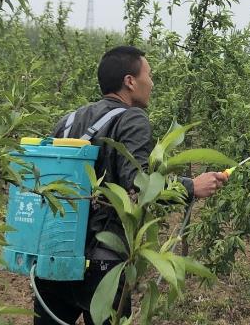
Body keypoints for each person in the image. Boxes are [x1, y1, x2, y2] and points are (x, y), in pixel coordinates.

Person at [33, 46, 228, 324]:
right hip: (102, 264)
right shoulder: (132, 118)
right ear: (130, 81)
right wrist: (190, 187)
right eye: (148, 74)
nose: (152, 82)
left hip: (54, 253)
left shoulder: (69, 119)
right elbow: (140, 186)